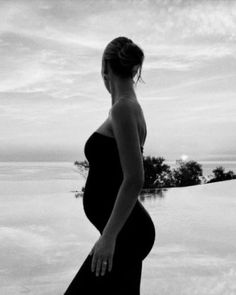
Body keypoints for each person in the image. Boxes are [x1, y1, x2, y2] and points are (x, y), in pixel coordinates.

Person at [64, 36, 156, 295]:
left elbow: (134, 179)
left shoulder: (123, 110)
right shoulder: (125, 108)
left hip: (126, 233)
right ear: (134, 69)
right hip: (126, 232)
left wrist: (109, 237)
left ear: (105, 68)